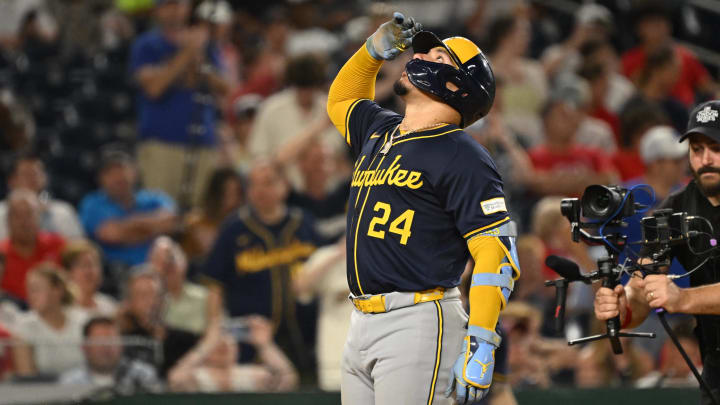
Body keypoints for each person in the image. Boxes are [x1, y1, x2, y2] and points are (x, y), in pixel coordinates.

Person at [327, 13, 521, 404]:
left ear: (457, 85)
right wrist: (371, 53)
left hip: (418, 319)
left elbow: (496, 251)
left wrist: (482, 338)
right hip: (361, 319)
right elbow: (342, 100)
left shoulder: (463, 153)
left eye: (440, 56)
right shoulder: (381, 130)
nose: (422, 56)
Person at [594, 100, 720, 403]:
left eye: (715, 147)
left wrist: (683, 298)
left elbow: (678, 298)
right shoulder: (674, 210)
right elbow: (642, 285)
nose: (706, 159)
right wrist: (622, 308)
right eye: (696, 149)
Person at [201, 160, 320, 381]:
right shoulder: (233, 228)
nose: (260, 191)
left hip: (306, 334)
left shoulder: (304, 222)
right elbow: (215, 287)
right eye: (253, 184)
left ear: (285, 185)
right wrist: (213, 332)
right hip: (251, 341)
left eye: (268, 183)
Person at [130, 0, 229, 208]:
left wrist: (197, 60)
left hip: (202, 142)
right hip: (161, 142)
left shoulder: (207, 45)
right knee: (161, 210)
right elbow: (154, 88)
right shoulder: (147, 44)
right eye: (169, 4)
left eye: (180, 4)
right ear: (158, 9)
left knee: (199, 215)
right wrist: (187, 53)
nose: (175, 10)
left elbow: (226, 87)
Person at [79, 148, 177, 268]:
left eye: (122, 168)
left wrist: (126, 227)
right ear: (101, 178)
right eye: (110, 172)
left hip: (156, 269)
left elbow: (171, 223)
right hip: (114, 273)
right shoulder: (92, 203)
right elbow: (112, 234)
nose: (118, 176)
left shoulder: (155, 198)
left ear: (134, 172)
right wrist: (151, 227)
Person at [167, 316, 298, 393]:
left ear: (237, 348)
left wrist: (265, 345)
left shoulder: (254, 374)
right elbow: (175, 380)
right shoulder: (195, 376)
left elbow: (288, 380)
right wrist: (207, 344)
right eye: (219, 337)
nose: (224, 342)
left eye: (229, 335)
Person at [117, 270, 199, 378]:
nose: (149, 301)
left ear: (164, 301)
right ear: (129, 301)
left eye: (154, 295)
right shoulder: (119, 340)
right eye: (142, 295)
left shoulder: (185, 340)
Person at [12, 264, 86, 377]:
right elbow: (26, 378)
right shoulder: (23, 327)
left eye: (36, 289)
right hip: (43, 393)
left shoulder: (83, 320)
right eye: (29, 290)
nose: (31, 296)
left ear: (57, 290)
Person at [60, 316, 161, 394]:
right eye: (100, 341)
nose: (106, 347)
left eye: (112, 340)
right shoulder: (69, 382)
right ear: (85, 348)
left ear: (122, 345)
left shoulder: (143, 375)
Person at [0, 189, 65, 303]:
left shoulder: (58, 245)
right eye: (18, 215)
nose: (24, 221)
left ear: (39, 217)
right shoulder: (1, 252)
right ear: (8, 220)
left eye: (29, 214)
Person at [0, 152, 83, 240]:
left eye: (37, 174)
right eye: (26, 174)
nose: (33, 179)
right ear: (11, 181)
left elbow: (78, 249)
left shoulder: (63, 212)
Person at [148, 236, 220, 335]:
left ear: (184, 260)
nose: (168, 264)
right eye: (160, 259)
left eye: (171, 257)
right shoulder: (146, 299)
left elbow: (220, 332)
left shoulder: (206, 298)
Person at [181, 167, 244, 261]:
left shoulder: (243, 224)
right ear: (215, 194)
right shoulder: (196, 223)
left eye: (235, 193)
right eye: (226, 193)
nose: (232, 200)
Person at [61, 239, 117, 318]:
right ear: (68, 272)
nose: (90, 271)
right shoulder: (62, 308)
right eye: (83, 265)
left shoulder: (109, 306)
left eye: (94, 265)